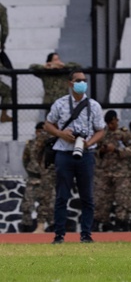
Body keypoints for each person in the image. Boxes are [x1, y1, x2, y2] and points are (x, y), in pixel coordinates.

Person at [44, 70, 105, 244]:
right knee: (62, 196)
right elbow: (48, 124)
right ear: (70, 83)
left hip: (86, 153)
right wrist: (61, 134)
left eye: (84, 80)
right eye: (78, 80)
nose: (82, 83)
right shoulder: (60, 104)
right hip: (64, 152)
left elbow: (101, 130)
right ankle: (59, 235)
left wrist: (88, 142)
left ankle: (86, 234)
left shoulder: (93, 105)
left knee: (87, 197)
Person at [93, 110, 131, 232]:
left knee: (122, 199)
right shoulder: (101, 134)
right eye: (110, 123)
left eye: (113, 122)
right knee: (102, 200)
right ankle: (102, 222)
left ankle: (121, 222)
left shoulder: (124, 134)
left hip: (121, 173)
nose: (112, 125)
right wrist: (102, 151)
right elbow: (94, 151)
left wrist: (115, 150)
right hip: (104, 173)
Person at [19, 123, 49, 232]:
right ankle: (26, 226)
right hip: (33, 178)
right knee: (27, 204)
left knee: (48, 204)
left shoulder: (50, 144)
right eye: (39, 131)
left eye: (43, 130)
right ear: (36, 131)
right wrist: (31, 172)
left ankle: (50, 227)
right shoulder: (30, 144)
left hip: (47, 179)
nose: (41, 133)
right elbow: (25, 160)